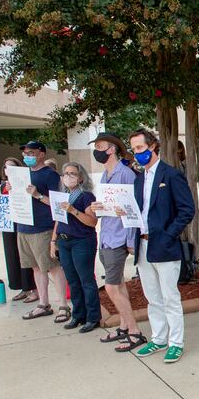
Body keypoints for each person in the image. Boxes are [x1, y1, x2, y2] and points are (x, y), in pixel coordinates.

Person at [129, 129, 195, 364]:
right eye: (134, 149)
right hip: (143, 245)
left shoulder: (171, 175)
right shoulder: (139, 179)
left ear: (153, 146)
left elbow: (187, 210)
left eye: (140, 148)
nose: (137, 153)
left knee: (170, 297)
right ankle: (158, 338)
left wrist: (169, 234)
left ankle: (176, 342)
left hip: (165, 245)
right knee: (153, 297)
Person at [88, 132, 147, 352]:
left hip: (119, 238)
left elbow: (134, 210)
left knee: (111, 287)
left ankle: (135, 331)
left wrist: (131, 240)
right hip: (106, 236)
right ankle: (124, 325)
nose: (97, 150)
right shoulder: (105, 175)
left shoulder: (126, 174)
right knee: (119, 284)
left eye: (100, 146)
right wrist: (98, 207)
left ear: (111, 149)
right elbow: (109, 206)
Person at [15, 140, 70, 323]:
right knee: (36, 267)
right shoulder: (22, 175)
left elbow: (58, 204)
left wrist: (37, 195)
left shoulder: (50, 175)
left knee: (52, 266)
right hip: (24, 226)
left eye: (31, 153)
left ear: (41, 154)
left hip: (43, 228)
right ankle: (43, 303)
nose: (27, 156)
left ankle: (63, 305)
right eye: (25, 153)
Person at [50, 162, 101, 333]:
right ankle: (78, 315)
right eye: (65, 173)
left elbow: (92, 221)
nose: (68, 176)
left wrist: (73, 211)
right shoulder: (62, 196)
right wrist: (53, 241)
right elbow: (58, 220)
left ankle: (93, 317)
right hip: (64, 242)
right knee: (72, 280)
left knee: (86, 280)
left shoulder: (86, 196)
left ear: (80, 177)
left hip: (82, 241)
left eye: (72, 173)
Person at [0, 158, 37, 302]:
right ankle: (23, 288)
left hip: (22, 221)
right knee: (12, 256)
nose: (8, 169)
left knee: (26, 257)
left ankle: (33, 288)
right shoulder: (3, 185)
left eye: (12, 167)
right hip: (8, 224)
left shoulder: (25, 182)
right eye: (6, 167)